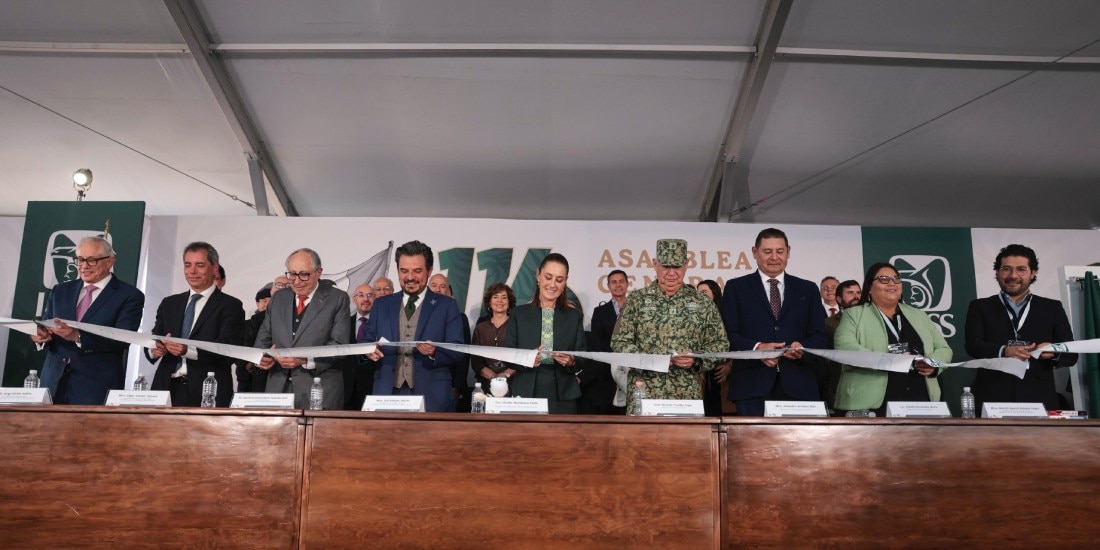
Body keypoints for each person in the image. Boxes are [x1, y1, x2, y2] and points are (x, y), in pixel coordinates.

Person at [612, 239, 728, 409]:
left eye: (677, 267)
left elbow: (720, 344)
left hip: (686, 394)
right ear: (655, 264)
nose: (672, 273)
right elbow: (619, 342)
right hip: (644, 392)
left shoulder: (703, 303)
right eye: (666, 266)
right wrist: (650, 360)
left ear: (686, 265)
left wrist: (696, 359)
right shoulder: (636, 300)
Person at [722, 228, 826, 416]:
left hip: (800, 386)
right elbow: (727, 334)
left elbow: (820, 335)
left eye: (780, 251)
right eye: (767, 251)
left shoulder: (807, 289)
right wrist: (757, 348)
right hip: (752, 386)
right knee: (753, 437)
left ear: (788, 252)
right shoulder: (736, 287)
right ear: (755, 252)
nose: (774, 257)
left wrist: (802, 347)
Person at [33, 236, 145, 404]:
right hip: (53, 382)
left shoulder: (129, 295)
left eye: (91, 260)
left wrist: (78, 336)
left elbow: (123, 339)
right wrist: (41, 337)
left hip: (95, 386)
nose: (84, 266)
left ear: (110, 262)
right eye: (80, 259)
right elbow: (46, 325)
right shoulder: (60, 290)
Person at [965, 244, 1077, 410]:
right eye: (1006, 269)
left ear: (1033, 273)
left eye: (1021, 269)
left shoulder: (1052, 307)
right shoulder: (980, 306)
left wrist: (1054, 351)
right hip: (992, 395)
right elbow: (973, 346)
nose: (1013, 275)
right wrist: (1004, 350)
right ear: (997, 272)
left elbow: (1072, 354)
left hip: (1039, 397)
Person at [834, 262, 952, 416]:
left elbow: (944, 349)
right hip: (870, 404)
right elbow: (845, 347)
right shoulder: (853, 314)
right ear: (869, 287)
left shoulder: (919, 315)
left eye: (896, 279)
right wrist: (888, 360)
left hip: (920, 399)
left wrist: (932, 364)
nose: (892, 283)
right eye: (883, 279)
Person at [364, 241, 465, 412]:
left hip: (432, 395)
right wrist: (368, 350)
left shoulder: (447, 305)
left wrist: (435, 352)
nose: (410, 277)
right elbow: (366, 340)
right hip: (386, 394)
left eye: (417, 271)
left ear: (429, 271)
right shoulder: (381, 305)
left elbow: (458, 350)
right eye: (404, 271)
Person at [147, 242, 244, 407]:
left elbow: (228, 351)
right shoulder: (170, 303)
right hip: (165, 389)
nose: (192, 271)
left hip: (207, 391)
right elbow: (155, 337)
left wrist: (188, 351)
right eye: (187, 265)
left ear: (214, 268)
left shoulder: (230, 305)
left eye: (199, 265)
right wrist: (155, 349)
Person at [255, 249, 350, 409]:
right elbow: (263, 340)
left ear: (319, 272)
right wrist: (263, 358)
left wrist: (305, 360)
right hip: (278, 391)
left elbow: (339, 345)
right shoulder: (278, 298)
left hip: (319, 391)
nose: (297, 281)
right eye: (292, 274)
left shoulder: (337, 299)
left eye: (304, 274)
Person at [503, 253, 585, 414]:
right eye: (548, 277)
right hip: (526, 390)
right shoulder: (519, 314)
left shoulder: (574, 316)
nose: (553, 284)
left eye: (559, 280)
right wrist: (527, 359)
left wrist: (571, 361)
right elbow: (508, 353)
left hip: (563, 393)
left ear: (565, 282)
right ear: (538, 275)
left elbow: (583, 355)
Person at [582, 269, 629, 414]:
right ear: (608, 286)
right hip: (607, 375)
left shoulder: (637, 309)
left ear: (627, 284)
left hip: (632, 371)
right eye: (613, 282)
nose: (618, 285)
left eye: (621, 281)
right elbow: (597, 344)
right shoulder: (600, 312)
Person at [428, 273, 474, 411]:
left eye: (443, 286)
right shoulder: (415, 317)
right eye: (434, 285)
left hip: (448, 383)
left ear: (450, 292)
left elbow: (463, 356)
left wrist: (456, 386)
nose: (438, 289)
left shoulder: (460, 318)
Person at [819, 279, 861, 411]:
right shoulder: (828, 323)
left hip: (869, 378)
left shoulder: (873, 319)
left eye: (858, 292)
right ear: (838, 299)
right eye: (850, 293)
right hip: (840, 381)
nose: (856, 296)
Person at [472, 283, 517, 391]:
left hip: (513, 383)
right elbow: (475, 359)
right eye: (495, 297)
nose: (499, 301)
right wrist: (492, 376)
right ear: (489, 302)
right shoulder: (480, 328)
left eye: (504, 297)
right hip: (486, 384)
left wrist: (505, 374)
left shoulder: (517, 326)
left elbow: (522, 356)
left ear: (509, 302)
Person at [697, 279, 732, 416]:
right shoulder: (695, 317)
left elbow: (734, 343)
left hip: (722, 378)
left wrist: (730, 365)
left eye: (704, 292)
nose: (700, 296)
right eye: (698, 293)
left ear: (715, 294)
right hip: (701, 376)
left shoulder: (727, 317)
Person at [343, 283, 376, 409]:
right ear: (354, 299)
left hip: (372, 387)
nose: (366, 299)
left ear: (375, 298)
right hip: (347, 389)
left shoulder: (382, 323)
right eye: (361, 295)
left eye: (370, 295)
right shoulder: (344, 323)